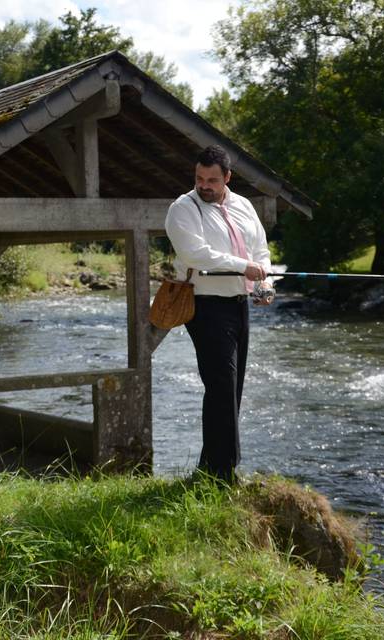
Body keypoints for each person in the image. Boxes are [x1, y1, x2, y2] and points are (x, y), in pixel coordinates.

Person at [164, 144, 275, 483]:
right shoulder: (182, 209)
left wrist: (264, 284)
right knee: (222, 387)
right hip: (206, 306)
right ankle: (226, 474)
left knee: (232, 388)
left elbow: (261, 252)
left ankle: (210, 468)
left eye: (213, 179)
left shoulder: (244, 206)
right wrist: (247, 268)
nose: (205, 186)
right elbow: (198, 255)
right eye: (200, 178)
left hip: (239, 306)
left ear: (228, 177)